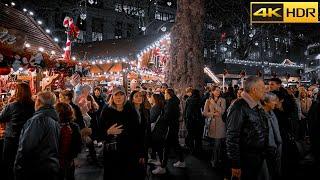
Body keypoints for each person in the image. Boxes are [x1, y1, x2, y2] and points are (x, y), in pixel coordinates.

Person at [226, 76, 269, 180]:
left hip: (257, 157)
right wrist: (235, 165)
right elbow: (232, 137)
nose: (265, 90)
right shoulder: (238, 106)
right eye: (263, 88)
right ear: (254, 90)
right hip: (246, 160)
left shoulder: (256, 104)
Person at [99, 86, 144, 180]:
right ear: (112, 96)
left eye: (121, 94)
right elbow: (98, 131)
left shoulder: (131, 110)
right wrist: (108, 131)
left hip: (129, 151)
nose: (118, 97)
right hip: (112, 151)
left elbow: (138, 133)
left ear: (125, 96)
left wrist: (141, 152)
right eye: (116, 95)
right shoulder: (107, 110)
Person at [14, 91, 60, 180]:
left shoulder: (37, 120)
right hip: (51, 167)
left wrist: (18, 168)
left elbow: (26, 148)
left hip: (37, 170)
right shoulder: (54, 120)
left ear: (38, 102)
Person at [0, 83, 35, 180]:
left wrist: (7, 105)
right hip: (28, 138)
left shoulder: (12, 106)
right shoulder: (34, 105)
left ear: (17, 92)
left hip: (12, 138)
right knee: (24, 164)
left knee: (9, 163)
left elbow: (1, 118)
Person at [55, 102, 82, 180]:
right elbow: (78, 145)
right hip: (69, 159)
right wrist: (72, 157)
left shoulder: (53, 126)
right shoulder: (74, 126)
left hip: (56, 160)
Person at [129, 90, 150, 179]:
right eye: (136, 96)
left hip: (143, 142)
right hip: (133, 144)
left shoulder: (144, 110)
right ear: (132, 99)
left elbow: (146, 128)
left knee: (142, 167)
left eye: (140, 96)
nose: (139, 97)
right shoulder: (129, 111)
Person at [203, 86, 226, 168]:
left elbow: (222, 111)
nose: (218, 92)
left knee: (217, 143)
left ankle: (214, 160)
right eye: (216, 90)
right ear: (212, 91)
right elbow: (204, 113)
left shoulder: (223, 100)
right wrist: (213, 114)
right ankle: (218, 158)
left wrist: (213, 103)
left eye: (219, 90)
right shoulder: (207, 100)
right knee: (215, 144)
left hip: (220, 125)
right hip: (212, 124)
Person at [261, 93, 282, 180]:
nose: (275, 103)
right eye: (273, 101)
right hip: (268, 150)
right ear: (266, 102)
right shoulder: (261, 115)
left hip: (275, 147)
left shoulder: (272, 112)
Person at [163, 88, 185, 168]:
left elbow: (167, 116)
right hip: (174, 126)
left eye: (165, 93)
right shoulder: (175, 101)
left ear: (169, 94)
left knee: (167, 145)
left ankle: (163, 166)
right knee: (175, 144)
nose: (164, 94)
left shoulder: (170, 103)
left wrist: (163, 118)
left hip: (170, 127)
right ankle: (181, 161)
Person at [185, 89, 204, 155]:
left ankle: (191, 150)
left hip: (190, 121)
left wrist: (186, 120)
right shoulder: (200, 100)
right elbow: (202, 112)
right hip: (198, 121)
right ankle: (198, 149)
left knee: (191, 136)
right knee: (198, 137)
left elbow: (187, 112)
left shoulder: (188, 100)